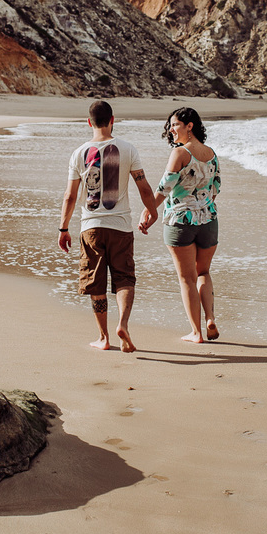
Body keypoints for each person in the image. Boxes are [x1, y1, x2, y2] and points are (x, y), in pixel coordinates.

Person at [59, 100, 158, 352]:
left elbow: (70, 196)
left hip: (90, 227)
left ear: (89, 122)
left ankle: (103, 338)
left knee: (96, 282)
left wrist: (63, 228)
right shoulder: (128, 149)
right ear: (113, 119)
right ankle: (123, 323)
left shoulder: (79, 153)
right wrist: (153, 211)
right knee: (124, 277)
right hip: (121, 226)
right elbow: (144, 186)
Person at [138, 107, 220, 343]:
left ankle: (196, 333)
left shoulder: (180, 153)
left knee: (187, 279)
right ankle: (210, 318)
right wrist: (201, 205)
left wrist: (148, 213)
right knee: (203, 272)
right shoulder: (211, 153)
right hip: (208, 220)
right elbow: (216, 189)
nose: (171, 130)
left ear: (189, 125)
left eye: (175, 125)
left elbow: (164, 188)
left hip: (180, 221)